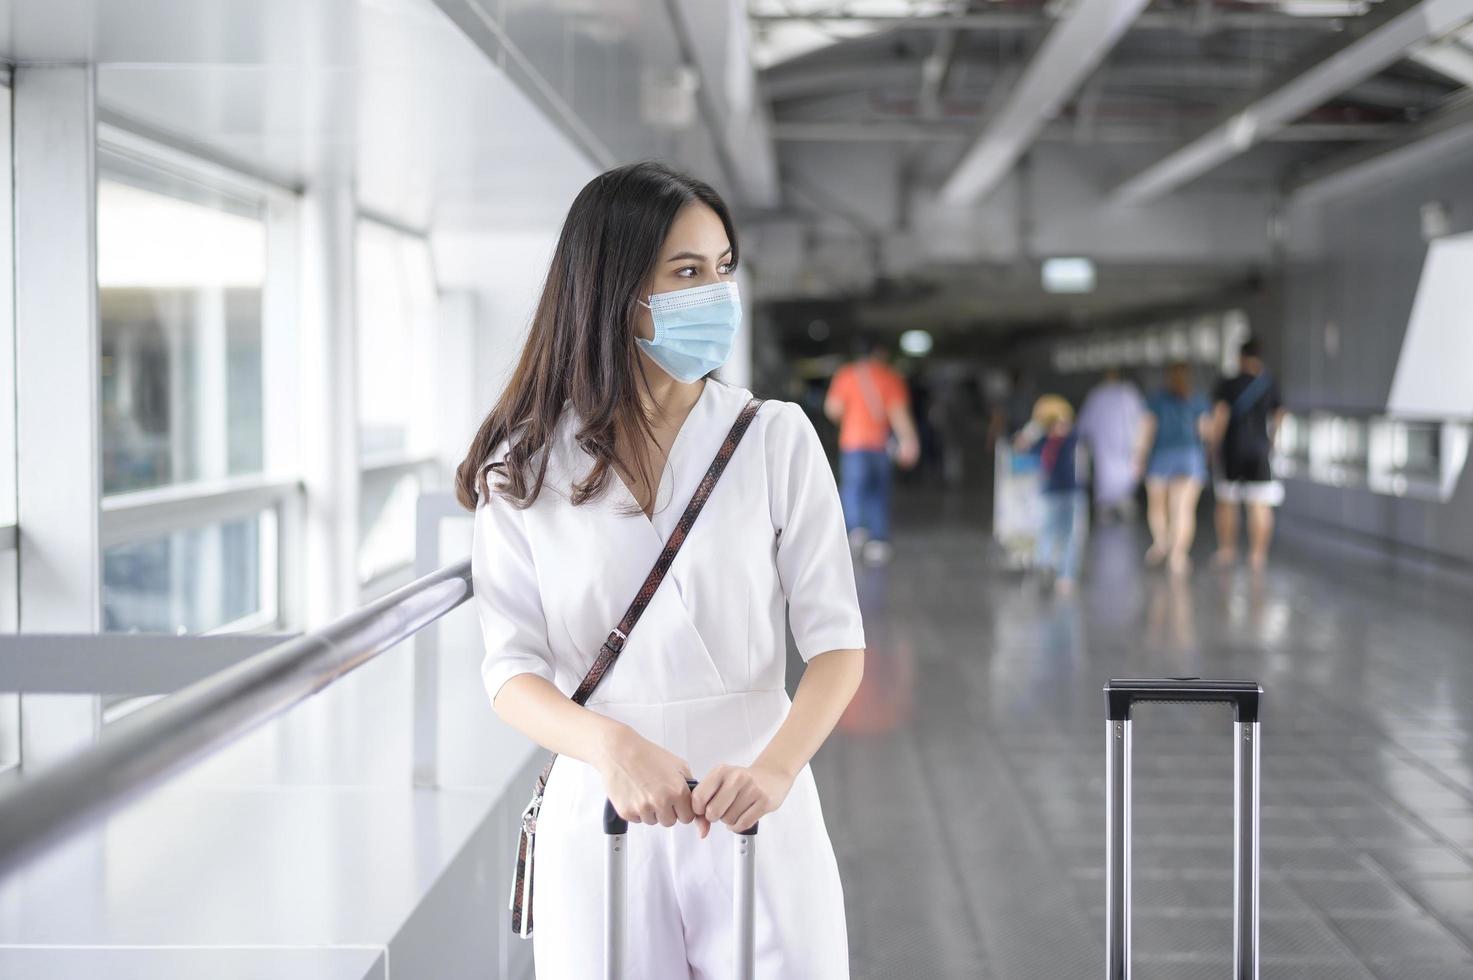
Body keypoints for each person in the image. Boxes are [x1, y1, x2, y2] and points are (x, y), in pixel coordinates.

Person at [456, 162, 865, 979]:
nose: (714, 294)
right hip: (604, 806)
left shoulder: (772, 438)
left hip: (753, 799)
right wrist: (608, 747)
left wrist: (777, 768)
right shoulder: (527, 466)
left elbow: (837, 645)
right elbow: (510, 670)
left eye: (722, 272)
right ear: (614, 289)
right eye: (686, 273)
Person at [824, 337, 920, 565]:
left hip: (853, 443)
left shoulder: (846, 375)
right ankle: (877, 541)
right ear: (880, 353)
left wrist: (851, 418)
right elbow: (898, 413)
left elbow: (832, 409)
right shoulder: (890, 377)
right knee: (877, 492)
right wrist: (909, 441)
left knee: (853, 489)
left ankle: (856, 530)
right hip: (880, 445)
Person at [1211, 338, 1286, 571]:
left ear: (1240, 357)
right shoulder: (1270, 383)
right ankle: (1258, 555)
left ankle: (1227, 550)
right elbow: (1280, 414)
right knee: (1260, 504)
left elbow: (1220, 415)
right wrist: (1272, 442)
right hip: (1259, 450)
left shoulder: (1229, 383)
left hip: (1233, 449)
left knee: (1227, 502)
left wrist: (1213, 445)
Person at [1136, 362, 1211, 575]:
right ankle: (1178, 556)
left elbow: (1147, 430)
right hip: (1190, 456)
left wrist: (1139, 457)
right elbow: (1205, 431)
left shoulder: (1156, 399)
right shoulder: (1198, 399)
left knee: (1158, 506)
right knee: (1183, 510)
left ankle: (1161, 542)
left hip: (1162, 456)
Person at [1014, 395, 1089, 595]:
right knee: (1046, 532)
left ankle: (1066, 576)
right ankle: (1043, 569)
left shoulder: (1071, 439)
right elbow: (1021, 446)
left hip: (1071, 493)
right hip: (1050, 493)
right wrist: (1034, 428)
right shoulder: (1043, 442)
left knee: (1069, 535)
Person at [1076, 368, 1146, 524]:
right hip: (1109, 442)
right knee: (1109, 472)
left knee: (1122, 471)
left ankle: (1120, 501)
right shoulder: (1100, 394)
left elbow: (1140, 417)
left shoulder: (1126, 393)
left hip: (1123, 442)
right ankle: (1109, 504)